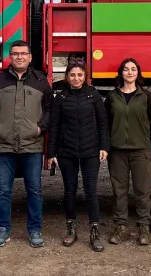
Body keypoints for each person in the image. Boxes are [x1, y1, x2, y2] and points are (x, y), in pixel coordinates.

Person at [0, 40, 53, 248]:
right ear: (9, 57)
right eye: (15, 54)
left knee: (35, 190)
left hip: (32, 145)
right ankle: (3, 230)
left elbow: (49, 108)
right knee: (3, 190)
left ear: (30, 57)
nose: (19, 57)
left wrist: (40, 128)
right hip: (4, 145)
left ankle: (35, 229)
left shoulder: (40, 81)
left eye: (23, 53)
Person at [47, 61, 109, 251]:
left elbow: (103, 122)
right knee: (69, 191)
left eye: (80, 75)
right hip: (67, 151)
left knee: (91, 191)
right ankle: (71, 230)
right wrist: (51, 153)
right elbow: (54, 127)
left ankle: (94, 232)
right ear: (67, 77)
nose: (76, 78)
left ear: (85, 77)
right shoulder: (60, 98)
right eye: (72, 75)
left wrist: (104, 146)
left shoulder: (94, 95)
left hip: (91, 150)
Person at [104, 57, 151, 246]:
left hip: (140, 151)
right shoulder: (113, 97)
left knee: (142, 191)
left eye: (133, 69)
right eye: (126, 69)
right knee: (119, 191)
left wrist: (142, 131)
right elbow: (106, 122)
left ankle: (143, 228)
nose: (130, 72)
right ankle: (120, 227)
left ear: (138, 73)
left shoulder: (146, 96)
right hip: (117, 152)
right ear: (121, 73)